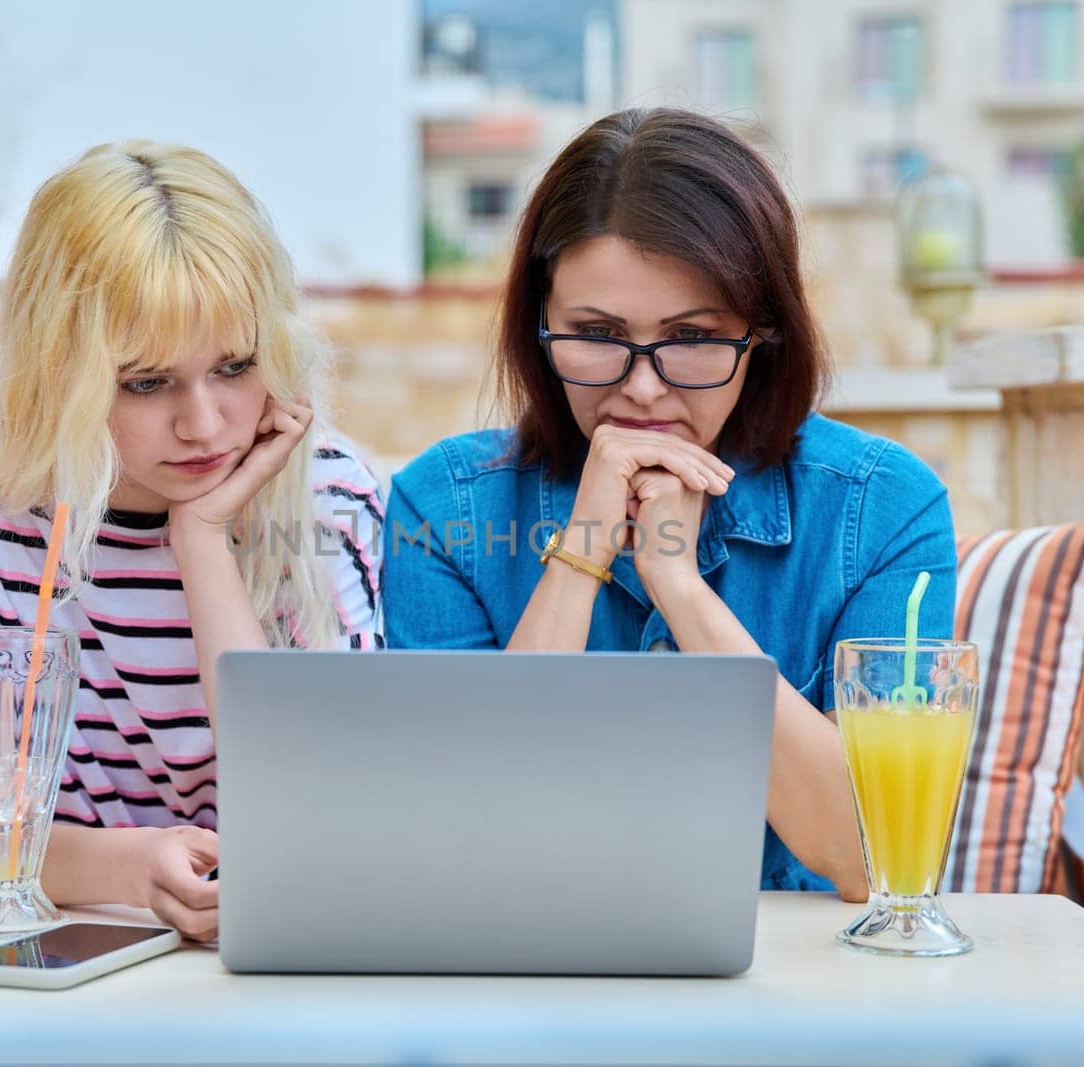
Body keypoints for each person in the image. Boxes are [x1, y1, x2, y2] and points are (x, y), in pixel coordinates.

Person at [0, 141, 384, 941]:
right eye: (145, 381)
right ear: (58, 367)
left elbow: (319, 819)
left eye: (236, 366)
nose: (205, 423)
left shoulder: (329, 495)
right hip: (30, 944)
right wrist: (130, 868)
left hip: (262, 946)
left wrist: (205, 540)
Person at [382, 108, 956, 899]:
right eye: (597, 333)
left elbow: (876, 859)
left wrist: (677, 585)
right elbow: (464, 841)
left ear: (762, 335)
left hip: (795, 992)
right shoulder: (439, 509)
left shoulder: (884, 507)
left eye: (691, 337)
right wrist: (583, 550)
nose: (642, 387)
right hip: (527, 973)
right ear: (538, 327)